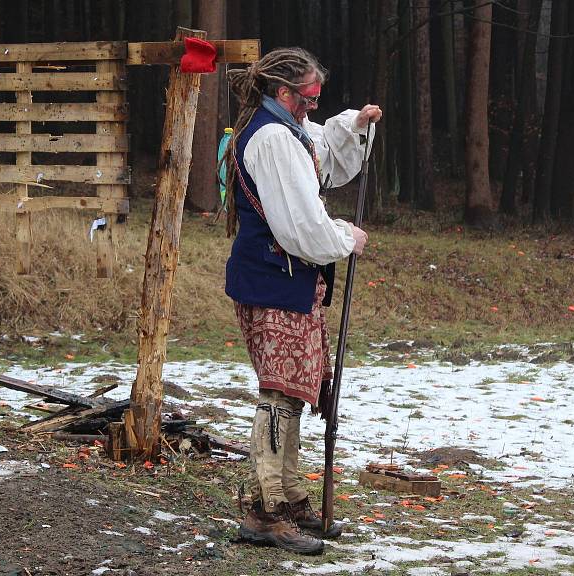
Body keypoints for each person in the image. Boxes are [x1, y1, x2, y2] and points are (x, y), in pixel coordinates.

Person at [222, 47, 382, 555]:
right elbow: (299, 225)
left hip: (287, 281)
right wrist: (342, 238)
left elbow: (322, 156)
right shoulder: (271, 138)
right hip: (271, 279)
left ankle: (287, 498)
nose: (314, 105)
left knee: (292, 392)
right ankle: (265, 511)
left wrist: (352, 124)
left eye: (318, 97)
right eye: (308, 96)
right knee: (278, 393)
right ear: (283, 92)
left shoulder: (287, 129)